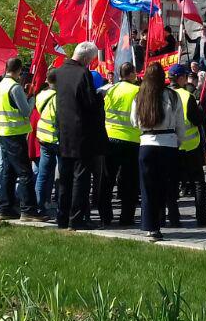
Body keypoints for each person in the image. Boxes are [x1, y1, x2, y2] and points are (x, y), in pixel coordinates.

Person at [52, 42, 108, 230]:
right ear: (86, 59)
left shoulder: (59, 72)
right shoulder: (83, 73)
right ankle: (76, 219)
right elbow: (89, 103)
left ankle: (62, 217)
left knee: (65, 178)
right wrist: (100, 96)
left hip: (64, 131)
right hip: (82, 133)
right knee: (80, 178)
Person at [131, 62, 186, 241]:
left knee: (147, 188)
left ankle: (150, 226)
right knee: (164, 187)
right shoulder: (172, 96)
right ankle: (159, 220)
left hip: (147, 143)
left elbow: (134, 121)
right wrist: (179, 140)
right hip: (167, 143)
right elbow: (180, 122)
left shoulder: (140, 97)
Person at [0, 58, 44, 221]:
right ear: (19, 70)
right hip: (15, 132)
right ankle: (28, 210)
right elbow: (26, 111)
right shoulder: (14, 87)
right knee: (24, 172)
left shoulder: (1, 85)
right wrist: (32, 97)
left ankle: (5, 208)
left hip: (3, 132)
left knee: (8, 171)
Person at [168, 63, 206, 227]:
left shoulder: (164, 94)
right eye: (185, 77)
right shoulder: (187, 96)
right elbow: (197, 119)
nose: (187, 79)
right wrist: (200, 109)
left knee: (172, 183)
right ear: (180, 78)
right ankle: (202, 217)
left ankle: (173, 218)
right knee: (199, 183)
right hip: (190, 146)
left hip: (171, 146)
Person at [100, 63, 142, 227]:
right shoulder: (137, 91)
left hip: (110, 137)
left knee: (107, 180)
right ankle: (126, 217)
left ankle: (105, 216)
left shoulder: (109, 89)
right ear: (131, 74)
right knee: (129, 181)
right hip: (131, 140)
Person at [33, 73, 59, 214]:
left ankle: (40, 204)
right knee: (60, 172)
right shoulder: (58, 98)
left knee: (43, 173)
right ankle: (59, 202)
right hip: (55, 138)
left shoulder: (40, 95)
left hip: (42, 136)